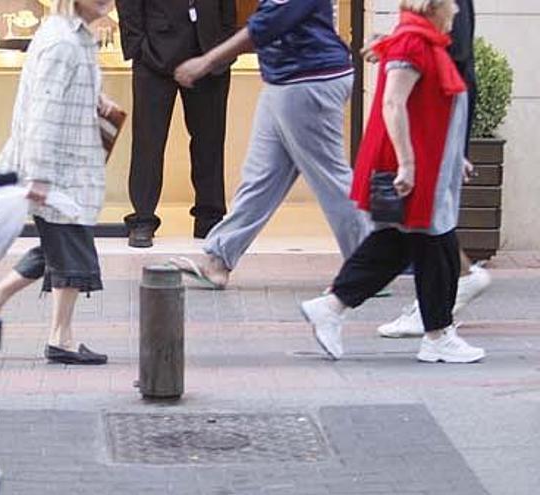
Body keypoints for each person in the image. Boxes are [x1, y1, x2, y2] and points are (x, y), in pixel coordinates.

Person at [300, 0, 485, 363]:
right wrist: (407, 165)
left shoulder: (421, 41)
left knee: (400, 245)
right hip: (419, 169)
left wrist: (453, 157)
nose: (458, 13)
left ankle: (333, 306)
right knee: (435, 248)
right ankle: (437, 335)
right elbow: (393, 104)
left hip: (433, 166)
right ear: (433, 8)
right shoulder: (413, 44)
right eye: (451, 5)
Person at [169, 0, 370, 288]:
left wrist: (207, 61)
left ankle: (368, 269)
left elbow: (266, 24)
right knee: (261, 178)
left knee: (331, 179)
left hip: (308, 80)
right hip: (284, 79)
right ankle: (218, 259)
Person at [0, 0, 117, 365]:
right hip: (58, 170)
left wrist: (94, 99)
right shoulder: (62, 41)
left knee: (58, 249)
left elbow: (59, 94)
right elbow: (43, 114)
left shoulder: (73, 35)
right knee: (72, 250)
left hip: (68, 168)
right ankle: (60, 338)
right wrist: (39, 177)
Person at [375, 0, 492, 338]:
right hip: (441, 109)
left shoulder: (448, 15)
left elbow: (453, 49)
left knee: (427, 218)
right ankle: (445, 301)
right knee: (428, 219)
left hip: (440, 110)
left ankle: (436, 316)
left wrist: (453, 147)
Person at [116, 0, 237, 248]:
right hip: (155, 54)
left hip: (210, 53)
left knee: (210, 140)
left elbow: (228, 6)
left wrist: (225, 46)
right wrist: (138, 47)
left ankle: (209, 218)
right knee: (148, 141)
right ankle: (142, 219)